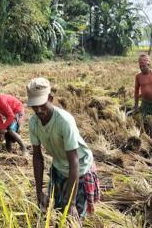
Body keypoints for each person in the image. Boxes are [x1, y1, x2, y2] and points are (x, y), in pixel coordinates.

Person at [27, 77, 100, 223]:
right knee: (57, 211)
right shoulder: (34, 123)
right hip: (59, 166)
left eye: (42, 104)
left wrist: (71, 203)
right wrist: (38, 192)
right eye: (34, 106)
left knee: (73, 217)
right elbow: (37, 158)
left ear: (50, 98)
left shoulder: (64, 121)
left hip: (79, 169)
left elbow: (74, 161)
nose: (39, 110)